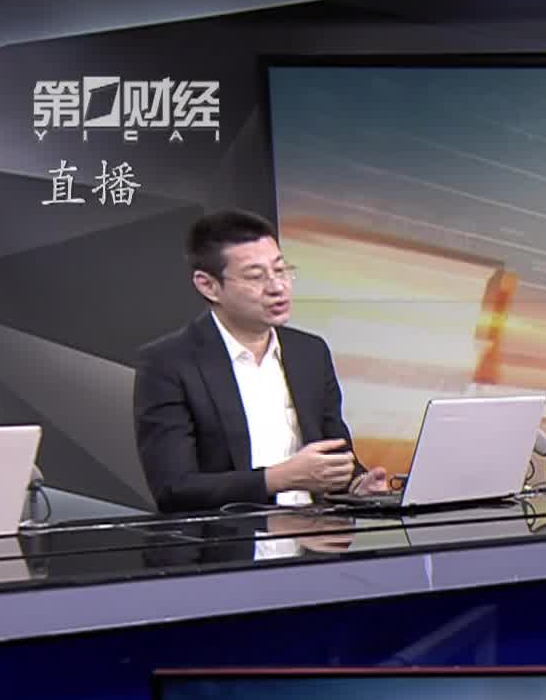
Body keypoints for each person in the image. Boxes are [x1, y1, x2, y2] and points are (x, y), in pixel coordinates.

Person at [133, 210, 389, 513]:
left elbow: (334, 455)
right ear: (208, 286)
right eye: (256, 276)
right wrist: (279, 478)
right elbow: (173, 489)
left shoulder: (309, 352)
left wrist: (357, 484)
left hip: (316, 534)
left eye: (280, 270)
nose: (277, 287)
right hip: (231, 537)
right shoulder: (168, 363)